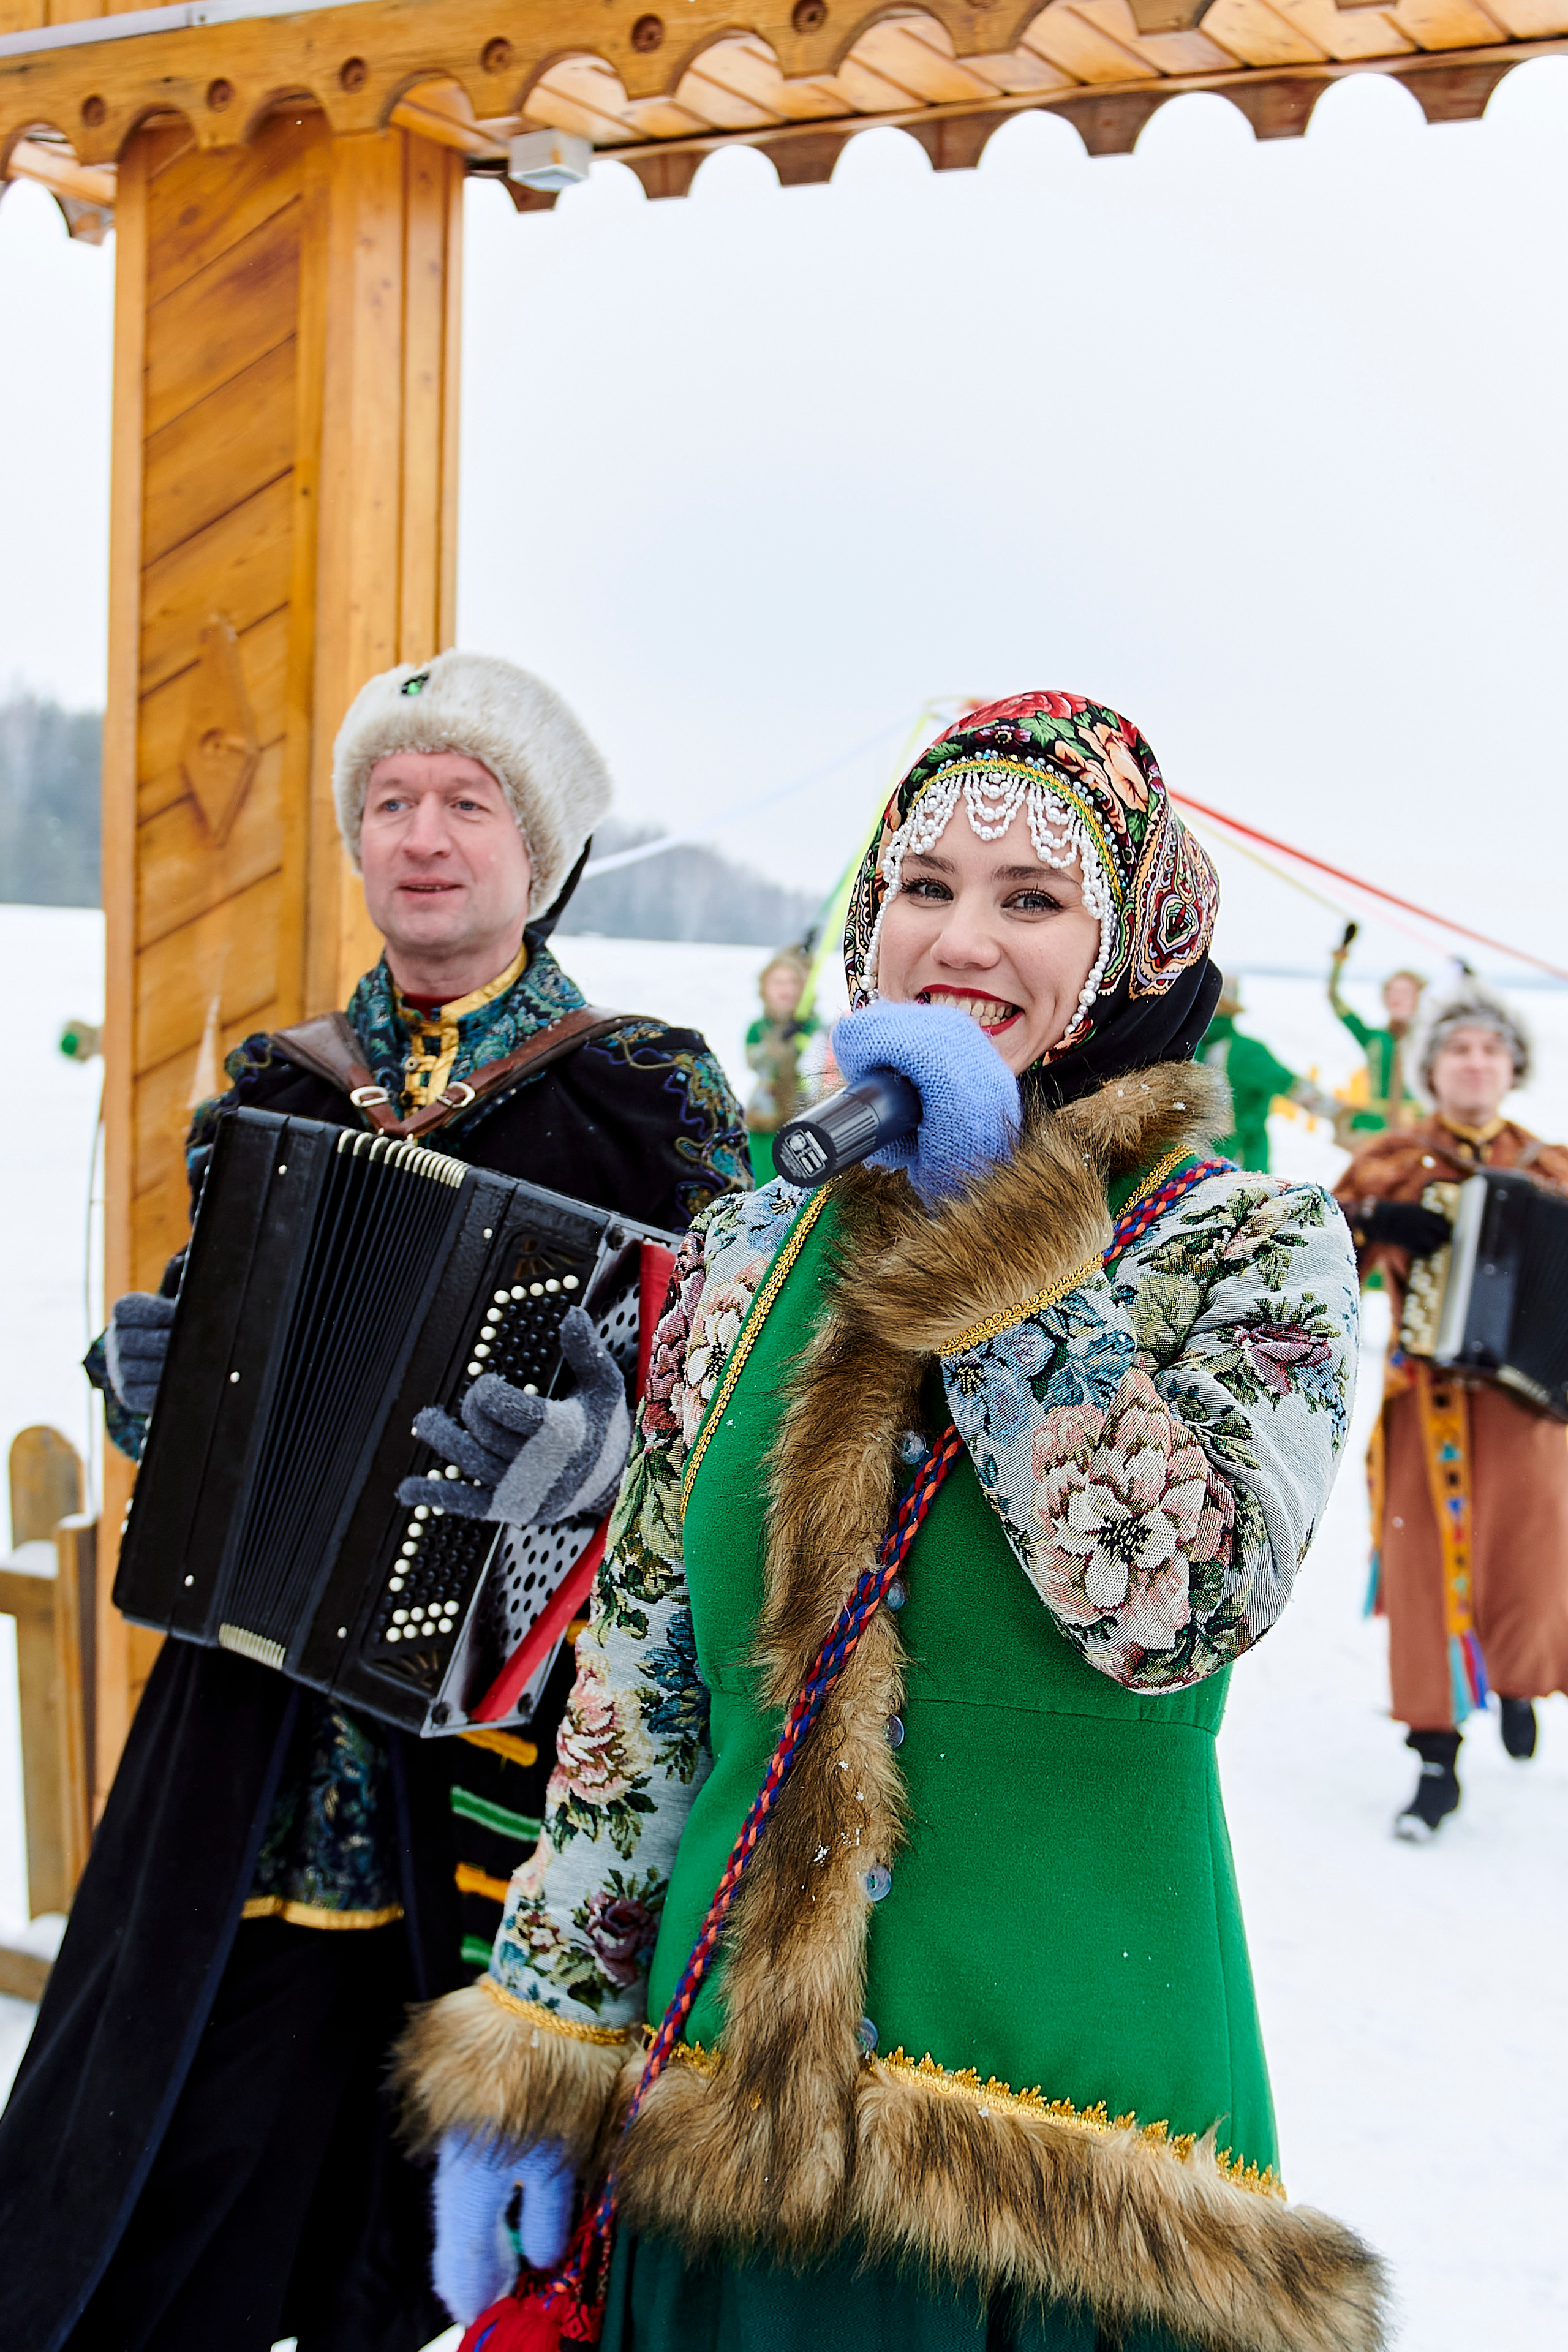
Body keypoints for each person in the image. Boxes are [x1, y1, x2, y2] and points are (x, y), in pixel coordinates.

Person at [401, 692, 1385, 2352]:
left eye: (1032, 900)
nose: (961, 941)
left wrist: (992, 1239)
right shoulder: (746, 1250)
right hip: (724, 2141)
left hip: (1071, 2178)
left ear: (1134, 944)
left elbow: (1173, 1603)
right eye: (923, 887)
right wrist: (543, 2041)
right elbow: (646, 1681)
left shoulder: (1246, 1251)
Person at [0, 652, 748, 2352]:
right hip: (254, 1740)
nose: (422, 838)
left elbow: (739, 1399)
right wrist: (155, 1398)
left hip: (503, 1747)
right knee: (160, 2159)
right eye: (389, 805)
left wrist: (605, 1457)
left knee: (447, 2228)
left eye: (466, 803)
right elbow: (234, 1370)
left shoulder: (650, 1097)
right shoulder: (282, 1086)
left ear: (539, 850)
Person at [1336, 980, 1568, 1841]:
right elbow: (1314, 1252)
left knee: (1533, 1567)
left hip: (1532, 1413)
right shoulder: (1393, 1160)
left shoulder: (1552, 1167)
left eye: (1491, 1049)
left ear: (1512, 1067)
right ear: (1433, 1067)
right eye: (1459, 1048)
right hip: (1426, 1405)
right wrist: (1373, 1218)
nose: (1475, 1062)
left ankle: (1517, 1683)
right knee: (1424, 1573)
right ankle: (1436, 1759)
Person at [1197, 973, 1338, 1170]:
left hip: (1243, 1160)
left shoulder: (1248, 1051)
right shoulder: (1191, 1049)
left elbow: (1291, 1085)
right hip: (1195, 1161)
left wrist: (1341, 1114)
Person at [1327, 928, 1424, 1136]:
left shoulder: (1429, 1040)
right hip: (1375, 1129)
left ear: (1419, 996)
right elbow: (1334, 1000)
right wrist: (1339, 960)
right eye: (1390, 990)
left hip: (1418, 1129)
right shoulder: (1373, 1038)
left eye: (1404, 992)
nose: (1395, 997)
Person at [742, 943, 822, 1183]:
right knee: (762, 1176)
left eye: (792, 983)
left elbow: (815, 1058)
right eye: (778, 983)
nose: (786, 989)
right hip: (765, 1116)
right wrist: (779, 1041)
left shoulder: (811, 1023)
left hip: (801, 1109)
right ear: (764, 989)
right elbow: (757, 1063)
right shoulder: (758, 1029)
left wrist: (801, 1033)